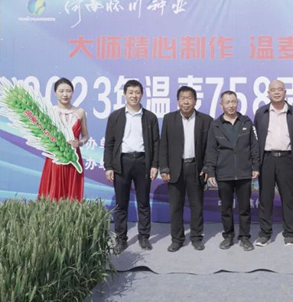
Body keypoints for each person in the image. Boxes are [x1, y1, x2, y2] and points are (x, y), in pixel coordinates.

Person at [104, 79, 159, 255]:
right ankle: (121, 239)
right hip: (122, 162)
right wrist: (108, 166)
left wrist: (154, 165)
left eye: (137, 92)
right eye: (131, 92)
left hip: (143, 162)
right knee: (121, 204)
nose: (134, 96)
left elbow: (156, 143)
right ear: (125, 94)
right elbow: (109, 143)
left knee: (143, 202)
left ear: (142, 94)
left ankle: (144, 236)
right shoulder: (116, 116)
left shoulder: (149, 117)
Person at [159, 86, 213, 252]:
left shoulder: (206, 120)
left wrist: (207, 167)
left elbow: (210, 147)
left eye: (189, 98)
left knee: (197, 206)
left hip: (196, 168)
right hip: (176, 168)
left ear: (195, 101)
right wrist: (164, 168)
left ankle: (196, 238)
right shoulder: (169, 119)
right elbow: (163, 145)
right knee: (176, 206)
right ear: (178, 101)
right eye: (183, 98)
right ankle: (177, 239)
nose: (186, 102)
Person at [204, 91, 260, 251]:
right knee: (226, 208)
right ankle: (228, 236)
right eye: (227, 102)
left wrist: (255, 166)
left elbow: (254, 146)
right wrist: (211, 171)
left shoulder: (246, 121)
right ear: (221, 105)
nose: (231, 105)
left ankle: (245, 237)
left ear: (237, 103)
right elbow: (211, 150)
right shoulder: (216, 125)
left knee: (245, 208)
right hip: (224, 173)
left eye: (234, 102)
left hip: (244, 172)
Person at [253, 79, 293, 247]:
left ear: (285, 92)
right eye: (273, 90)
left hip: (287, 158)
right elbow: (256, 139)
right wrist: (256, 163)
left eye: (280, 89)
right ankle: (265, 234)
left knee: (288, 197)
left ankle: (290, 233)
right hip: (266, 159)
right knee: (265, 198)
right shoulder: (261, 113)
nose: (277, 92)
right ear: (268, 93)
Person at [38, 77, 89, 201]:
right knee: (53, 191)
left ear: (72, 93)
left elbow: (86, 136)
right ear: (55, 93)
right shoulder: (49, 112)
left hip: (74, 158)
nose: (65, 94)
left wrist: (79, 143)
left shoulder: (80, 112)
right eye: (61, 91)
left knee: (72, 193)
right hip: (55, 157)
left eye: (68, 91)